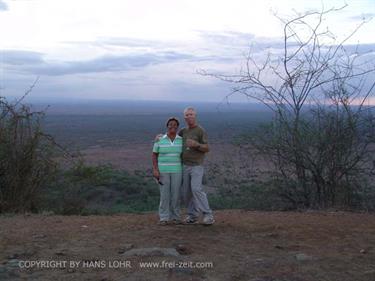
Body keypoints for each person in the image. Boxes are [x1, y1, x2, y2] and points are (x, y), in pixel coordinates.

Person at [180, 107, 214, 225]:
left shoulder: (200, 131)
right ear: (184, 117)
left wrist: (196, 145)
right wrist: (160, 137)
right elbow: (173, 140)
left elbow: (207, 148)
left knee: (196, 189)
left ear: (195, 116)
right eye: (187, 115)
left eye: (191, 114)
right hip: (184, 165)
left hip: (196, 166)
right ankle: (192, 215)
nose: (189, 116)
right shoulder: (183, 131)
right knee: (186, 192)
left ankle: (208, 214)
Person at [152, 117, 183, 225]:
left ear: (177, 127)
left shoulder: (181, 140)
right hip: (163, 170)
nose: (172, 126)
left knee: (176, 194)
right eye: (170, 124)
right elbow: (154, 155)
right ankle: (164, 217)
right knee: (164, 194)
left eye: (175, 124)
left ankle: (176, 217)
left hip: (177, 170)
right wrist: (155, 170)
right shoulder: (160, 140)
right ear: (167, 126)